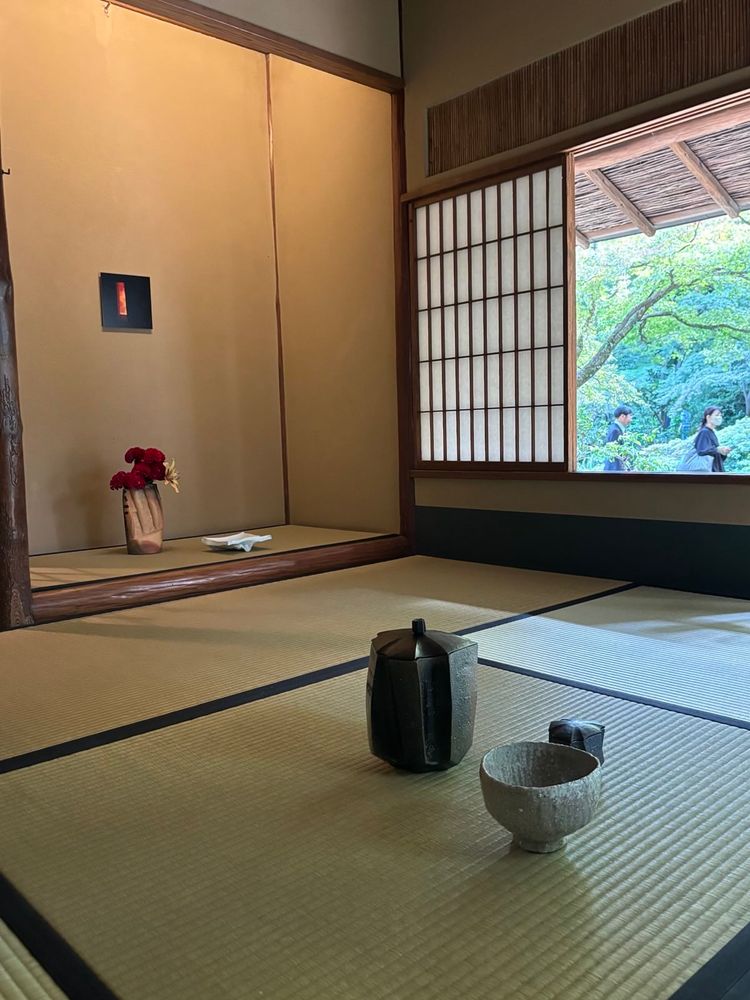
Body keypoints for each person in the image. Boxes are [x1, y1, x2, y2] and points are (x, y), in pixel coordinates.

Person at [694, 406, 731, 473]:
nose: (719, 417)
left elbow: (714, 455)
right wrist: (718, 449)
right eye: (717, 415)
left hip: (715, 470)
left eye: (720, 415)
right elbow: (701, 451)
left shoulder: (711, 432)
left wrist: (723, 452)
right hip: (709, 473)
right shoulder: (704, 432)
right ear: (708, 417)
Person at [603, 405, 633, 471]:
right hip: (614, 470)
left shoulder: (616, 429)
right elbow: (614, 454)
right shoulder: (615, 431)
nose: (631, 419)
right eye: (630, 416)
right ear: (622, 416)